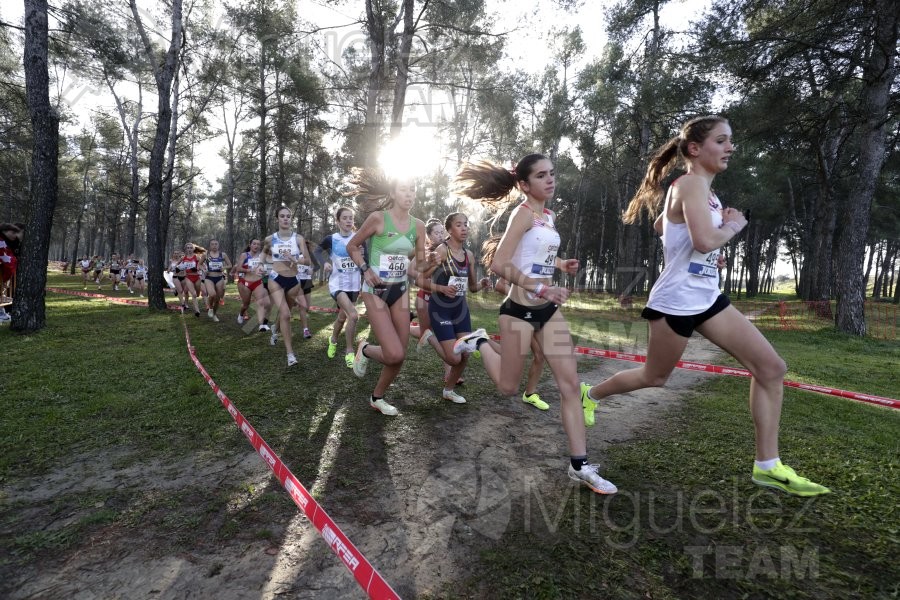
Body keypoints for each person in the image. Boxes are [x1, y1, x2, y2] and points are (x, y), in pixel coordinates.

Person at [582, 115, 828, 497]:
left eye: (731, 140)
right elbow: (702, 239)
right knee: (655, 376)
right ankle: (590, 395)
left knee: (771, 367)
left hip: (708, 298)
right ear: (695, 149)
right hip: (676, 301)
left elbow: (663, 228)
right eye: (722, 140)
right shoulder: (691, 183)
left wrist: (709, 248)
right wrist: (730, 227)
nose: (731, 147)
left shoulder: (704, 193)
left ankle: (768, 465)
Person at [451, 154, 617, 495]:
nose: (550, 180)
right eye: (542, 176)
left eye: (552, 174)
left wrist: (560, 263)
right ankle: (481, 341)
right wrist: (541, 286)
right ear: (525, 185)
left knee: (570, 385)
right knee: (509, 388)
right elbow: (500, 263)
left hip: (547, 312)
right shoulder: (523, 213)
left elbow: (535, 254)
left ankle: (580, 465)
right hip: (517, 311)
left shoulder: (547, 215)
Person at [345, 168, 427, 416]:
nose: (409, 194)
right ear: (393, 193)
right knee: (393, 352)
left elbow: (419, 264)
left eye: (413, 189)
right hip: (375, 290)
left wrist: (431, 258)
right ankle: (365, 348)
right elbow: (353, 245)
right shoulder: (378, 218)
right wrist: (365, 269)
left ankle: (377, 397)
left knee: (399, 357)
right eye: (404, 189)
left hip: (400, 290)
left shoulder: (419, 226)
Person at [417, 212, 491, 404]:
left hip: (460, 309)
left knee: (465, 353)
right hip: (440, 308)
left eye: (466, 224)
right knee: (453, 359)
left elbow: (472, 288)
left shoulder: (469, 256)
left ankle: (448, 390)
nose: (464, 228)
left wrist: (482, 284)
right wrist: (441, 287)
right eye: (459, 225)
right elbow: (419, 280)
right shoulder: (441, 251)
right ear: (449, 229)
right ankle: (429, 337)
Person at [486, 263, 549, 411]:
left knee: (540, 354)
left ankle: (530, 394)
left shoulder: (541, 259)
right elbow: (500, 285)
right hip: (518, 312)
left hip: (535, 311)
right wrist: (523, 295)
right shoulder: (518, 257)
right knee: (512, 356)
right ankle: (482, 341)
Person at [262, 206, 312, 366]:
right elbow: (264, 253)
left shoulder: (298, 239)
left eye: (288, 216)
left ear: (291, 219)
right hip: (275, 278)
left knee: (286, 313)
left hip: (294, 280)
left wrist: (295, 259)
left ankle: (275, 330)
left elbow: (308, 261)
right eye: (282, 216)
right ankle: (290, 354)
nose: (285, 219)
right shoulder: (270, 239)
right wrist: (259, 265)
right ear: (277, 218)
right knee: (286, 314)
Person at [319, 206, 363, 368]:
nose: (348, 220)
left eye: (351, 217)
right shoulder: (332, 239)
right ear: (337, 221)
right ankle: (349, 351)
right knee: (353, 315)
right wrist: (324, 263)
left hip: (354, 285)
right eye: (344, 218)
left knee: (342, 317)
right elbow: (317, 251)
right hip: (337, 285)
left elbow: (365, 259)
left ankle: (333, 340)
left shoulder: (359, 238)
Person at [234, 239, 271, 332]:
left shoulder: (262, 256)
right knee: (246, 304)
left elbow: (266, 267)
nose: (256, 246)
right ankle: (241, 314)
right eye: (254, 244)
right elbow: (238, 268)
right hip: (246, 282)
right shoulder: (244, 255)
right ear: (250, 245)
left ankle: (261, 325)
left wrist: (265, 270)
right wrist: (249, 270)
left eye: (258, 244)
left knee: (261, 302)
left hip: (258, 282)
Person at [202, 239, 232, 322]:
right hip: (209, 278)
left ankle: (214, 314)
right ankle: (210, 308)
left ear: (218, 245)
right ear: (210, 246)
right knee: (212, 294)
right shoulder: (206, 254)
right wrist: (204, 270)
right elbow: (199, 264)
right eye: (212, 244)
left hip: (219, 278)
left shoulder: (223, 255)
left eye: (216, 244)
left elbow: (230, 265)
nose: (214, 246)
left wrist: (224, 267)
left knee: (218, 298)